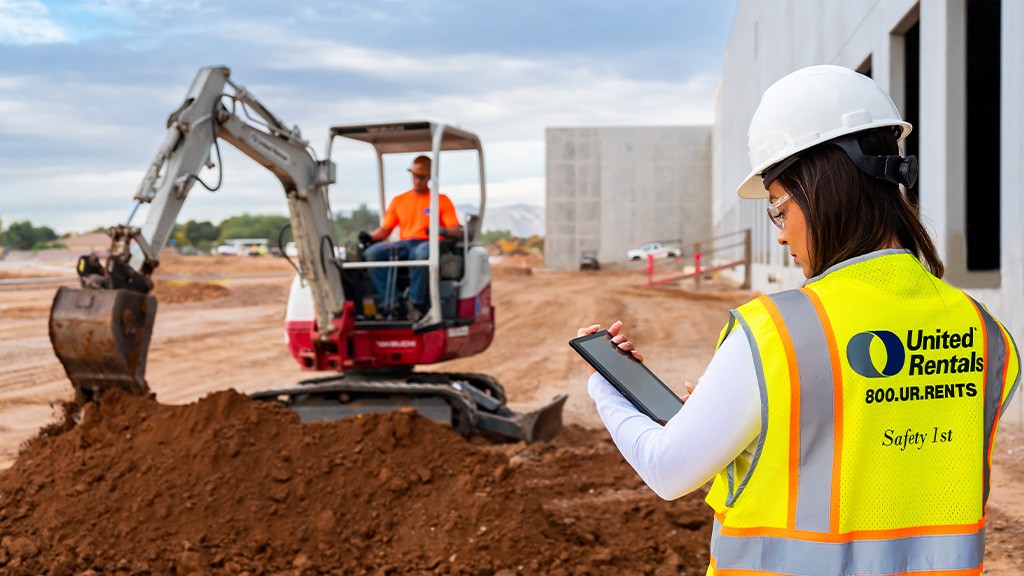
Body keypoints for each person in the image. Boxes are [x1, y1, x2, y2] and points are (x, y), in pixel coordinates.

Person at [577, 65, 1019, 575]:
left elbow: (669, 468)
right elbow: (881, 438)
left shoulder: (777, 333)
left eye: (778, 210)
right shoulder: (986, 332)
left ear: (824, 188)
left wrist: (604, 390)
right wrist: (760, 413)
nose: (781, 236)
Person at [361, 155, 462, 321]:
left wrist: (442, 231)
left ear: (429, 177)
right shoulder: (399, 201)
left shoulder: (441, 201)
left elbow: (455, 230)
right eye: (415, 176)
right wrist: (370, 237)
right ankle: (392, 301)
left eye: (422, 177)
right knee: (372, 254)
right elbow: (385, 229)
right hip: (405, 243)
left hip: (429, 243)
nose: (418, 181)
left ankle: (414, 303)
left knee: (421, 254)